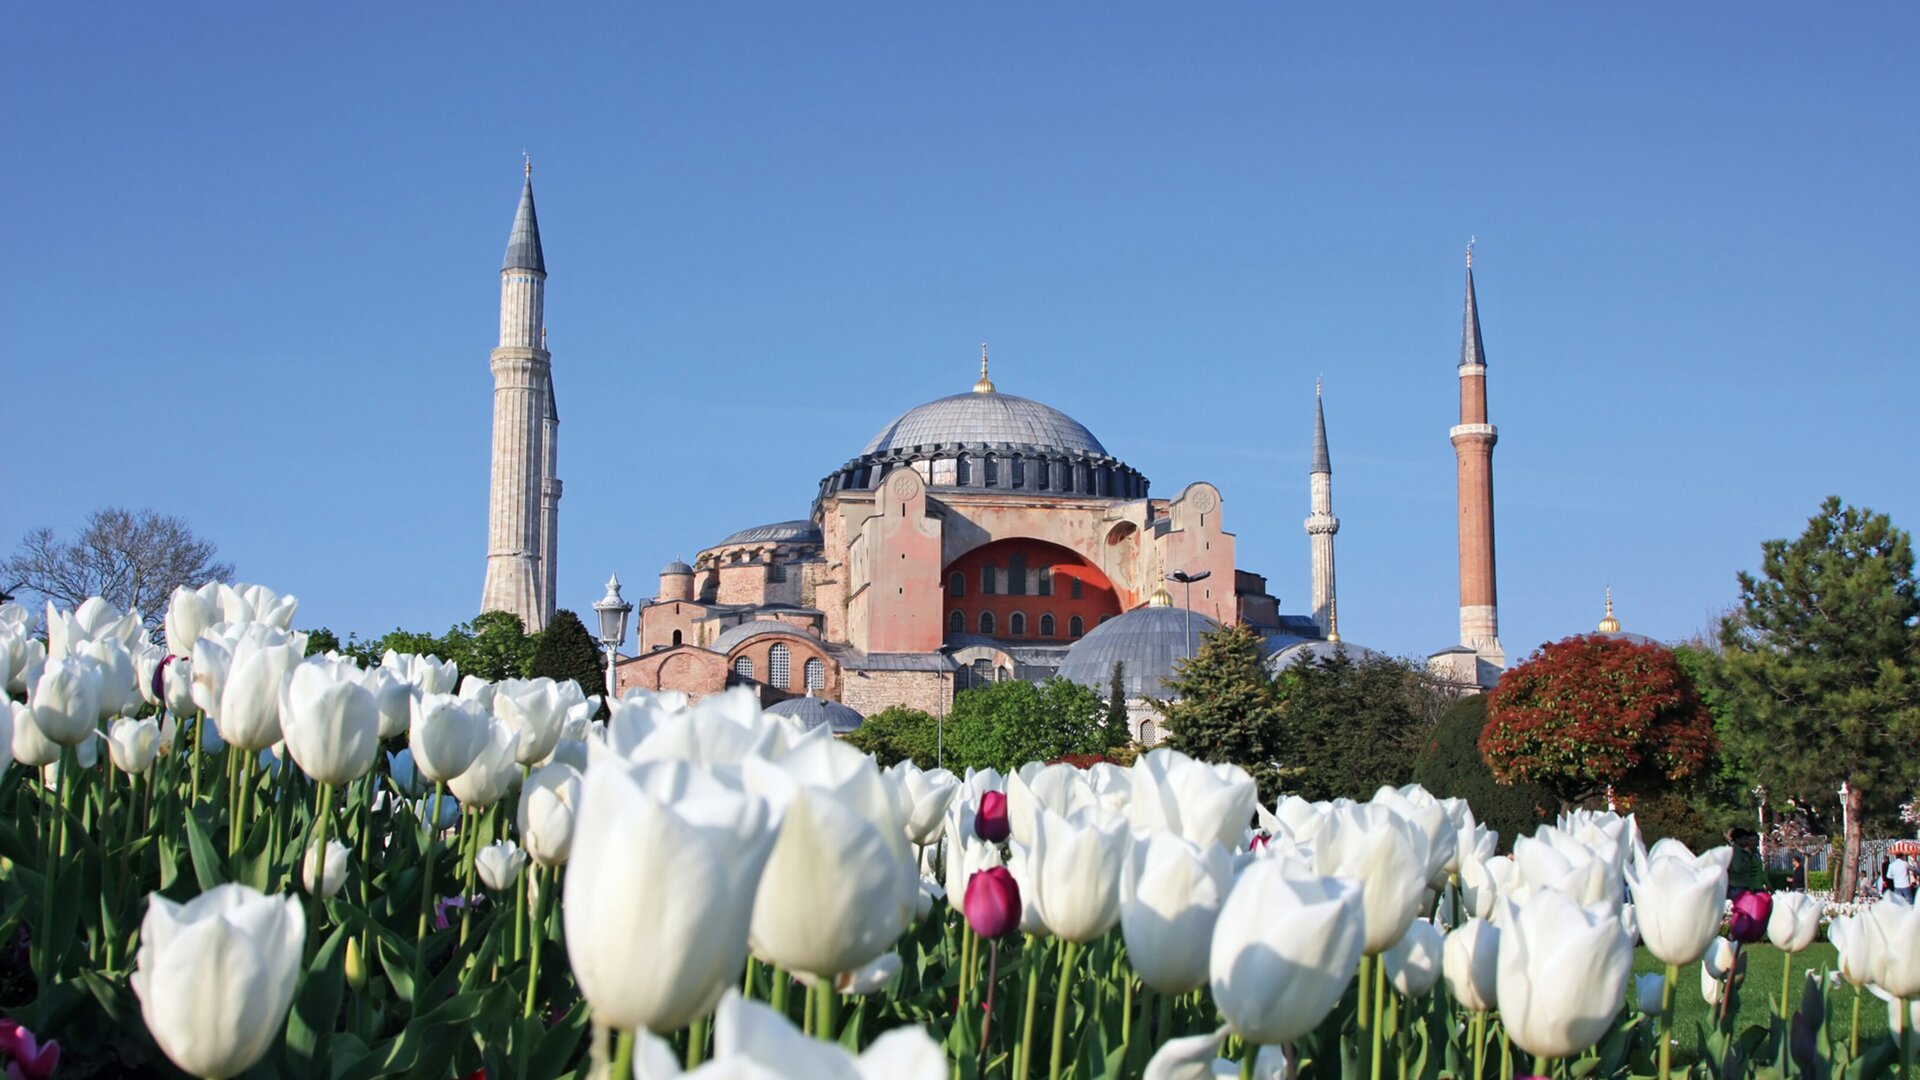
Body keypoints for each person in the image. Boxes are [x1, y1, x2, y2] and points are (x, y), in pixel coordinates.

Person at [1727, 828, 1770, 899]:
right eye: (1746, 839)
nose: (1748, 842)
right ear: (1738, 840)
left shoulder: (1753, 854)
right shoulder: (1737, 851)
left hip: (1751, 887)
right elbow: (1737, 868)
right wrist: (1747, 859)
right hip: (1739, 886)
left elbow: (1761, 872)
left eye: (1756, 840)